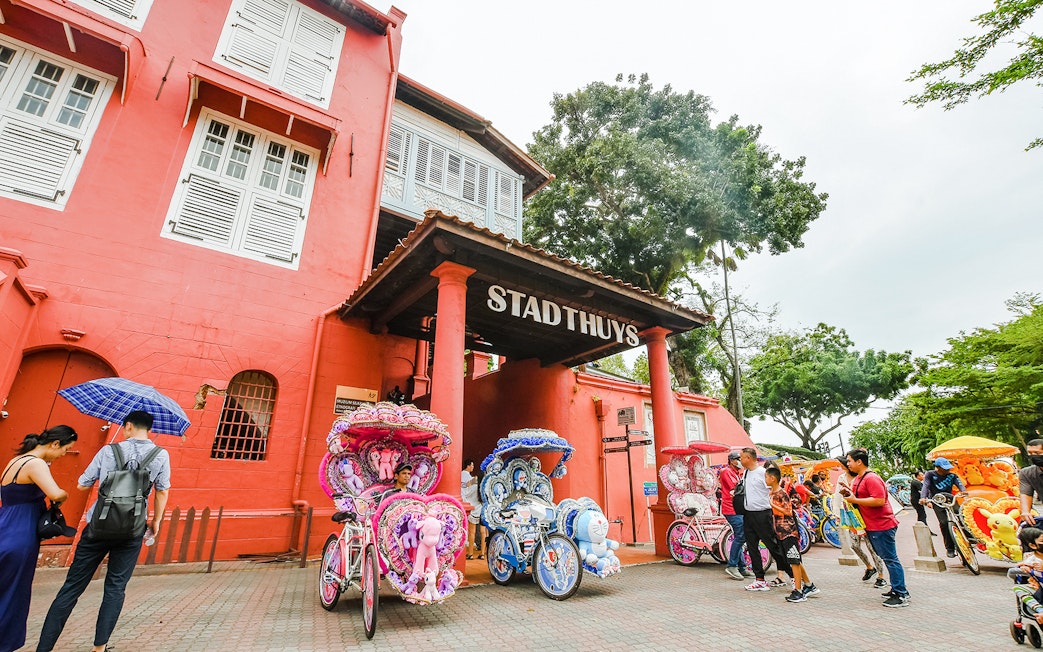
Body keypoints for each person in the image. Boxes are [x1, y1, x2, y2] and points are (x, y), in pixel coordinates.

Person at [37, 411, 171, 652]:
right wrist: (156, 521)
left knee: (71, 587)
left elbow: (82, 483)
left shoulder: (109, 450)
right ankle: (99, 648)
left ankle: (44, 648)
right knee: (116, 588)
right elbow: (162, 491)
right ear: (149, 429)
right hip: (132, 531)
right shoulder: (161, 455)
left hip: (98, 527)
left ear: (127, 426)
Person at [0, 426, 78, 652]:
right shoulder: (37, 463)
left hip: (6, 525)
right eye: (66, 449)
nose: (64, 454)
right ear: (55, 444)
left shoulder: (17, 461)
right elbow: (56, 494)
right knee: (12, 593)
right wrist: (63, 494)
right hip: (21, 534)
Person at [842, 448, 909, 607]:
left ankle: (901, 593)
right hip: (872, 525)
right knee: (886, 557)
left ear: (859, 461)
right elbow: (858, 497)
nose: (848, 464)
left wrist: (855, 500)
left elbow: (879, 500)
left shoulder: (871, 478)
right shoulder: (859, 478)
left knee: (891, 559)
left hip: (882, 525)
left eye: (849, 460)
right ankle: (897, 589)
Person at [738, 448, 793, 592]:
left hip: (763, 514)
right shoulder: (745, 473)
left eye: (742, 457)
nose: (740, 460)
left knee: (773, 546)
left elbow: (774, 489)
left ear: (749, 458)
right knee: (751, 547)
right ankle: (760, 579)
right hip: (748, 515)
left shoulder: (763, 473)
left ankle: (793, 576)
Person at [765, 466, 819, 603]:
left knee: (794, 560)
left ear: (772, 478)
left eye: (766, 477)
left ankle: (798, 591)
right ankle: (809, 585)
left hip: (788, 531)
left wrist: (773, 505)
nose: (765, 479)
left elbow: (788, 511)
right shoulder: (773, 492)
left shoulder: (781, 494)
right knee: (794, 560)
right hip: (781, 532)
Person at [835, 465, 888, 589]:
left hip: (864, 515)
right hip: (850, 515)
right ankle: (870, 567)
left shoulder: (862, 478)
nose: (845, 465)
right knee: (854, 545)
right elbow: (837, 497)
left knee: (871, 547)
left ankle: (881, 576)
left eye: (847, 462)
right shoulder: (841, 477)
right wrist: (837, 513)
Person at [919, 457, 966, 558]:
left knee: (961, 514)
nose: (948, 470)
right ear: (938, 467)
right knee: (944, 523)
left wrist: (963, 491)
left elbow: (959, 484)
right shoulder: (930, 474)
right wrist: (923, 497)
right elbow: (926, 486)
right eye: (945, 468)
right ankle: (950, 548)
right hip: (937, 500)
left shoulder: (952, 475)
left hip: (949, 498)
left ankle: (967, 536)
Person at [718, 451, 752, 580]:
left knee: (741, 536)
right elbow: (736, 487)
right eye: (738, 459)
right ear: (732, 460)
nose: (740, 461)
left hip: (738, 508)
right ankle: (732, 565)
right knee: (741, 536)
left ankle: (741, 567)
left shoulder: (738, 473)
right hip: (730, 508)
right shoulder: (726, 471)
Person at [461, 459, 483, 560]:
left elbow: (464, 488)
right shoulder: (466, 475)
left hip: (474, 507)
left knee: (472, 532)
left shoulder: (472, 481)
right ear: (468, 465)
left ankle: (470, 553)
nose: (473, 467)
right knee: (483, 532)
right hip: (482, 508)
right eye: (472, 465)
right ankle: (482, 553)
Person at [1020, 438, 1043, 527]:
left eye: (1037, 453)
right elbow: (1026, 494)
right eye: (1030, 453)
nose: (1033, 456)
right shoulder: (1027, 473)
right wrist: (1025, 512)